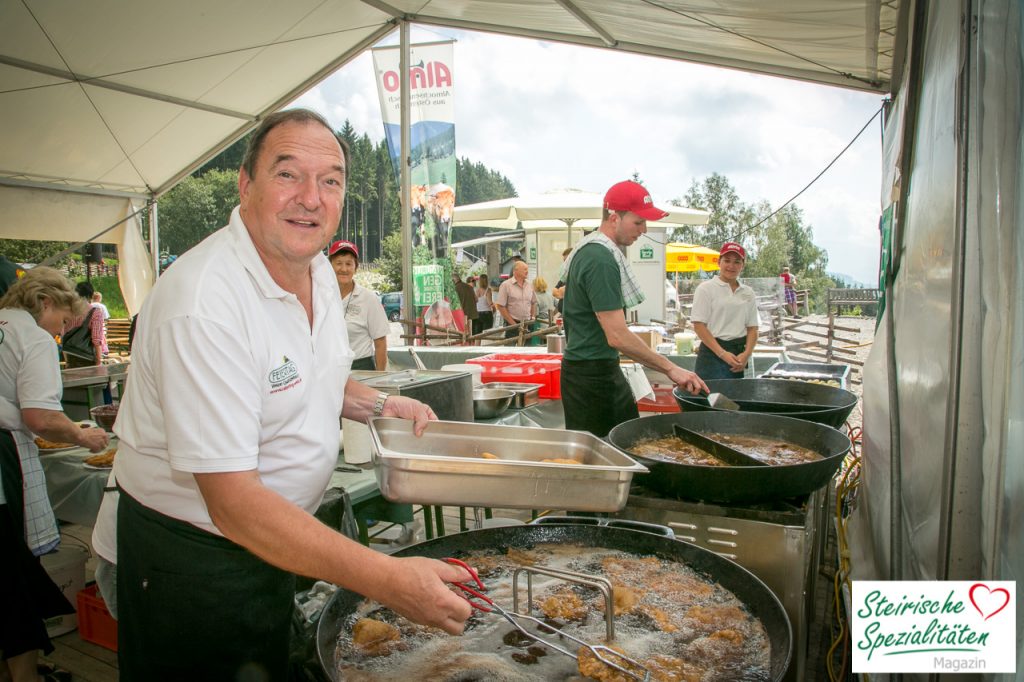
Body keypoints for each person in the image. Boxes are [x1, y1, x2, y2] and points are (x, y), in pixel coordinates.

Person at [91, 109, 472, 681]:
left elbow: (303, 373)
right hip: (193, 556)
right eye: (288, 174)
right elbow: (234, 502)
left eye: (331, 181)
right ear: (245, 185)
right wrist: (387, 577)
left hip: (272, 542)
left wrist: (378, 404)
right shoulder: (205, 304)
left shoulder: (316, 268)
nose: (311, 198)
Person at [0, 268, 109, 682]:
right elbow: (40, 417)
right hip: (4, 461)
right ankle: (25, 675)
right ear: (45, 301)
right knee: (15, 577)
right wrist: (85, 436)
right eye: (64, 321)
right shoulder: (33, 337)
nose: (62, 331)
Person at [559, 181, 707, 437]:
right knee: (612, 455)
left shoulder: (592, 250)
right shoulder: (600, 259)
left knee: (623, 445)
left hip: (593, 370)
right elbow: (616, 335)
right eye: (638, 222)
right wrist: (670, 368)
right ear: (614, 218)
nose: (644, 230)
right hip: (592, 377)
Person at [691, 242, 761, 381]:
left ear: (743, 265)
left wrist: (746, 354)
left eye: (737, 262)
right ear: (719, 262)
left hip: (740, 355)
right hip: (713, 352)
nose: (731, 266)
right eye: (727, 261)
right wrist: (722, 354)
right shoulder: (706, 289)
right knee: (711, 399)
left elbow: (753, 328)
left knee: (740, 399)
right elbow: (699, 326)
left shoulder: (748, 292)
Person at [328, 239, 389, 371]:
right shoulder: (321, 296)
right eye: (338, 263)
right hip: (329, 369)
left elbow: (380, 343)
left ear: (356, 267)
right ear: (329, 266)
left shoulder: (368, 299)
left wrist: (379, 378)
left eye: (349, 264)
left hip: (361, 368)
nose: (343, 269)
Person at [61, 281, 105, 368]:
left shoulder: (68, 310)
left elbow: (62, 332)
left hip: (68, 353)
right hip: (86, 356)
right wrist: (99, 361)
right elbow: (96, 340)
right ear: (91, 295)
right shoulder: (95, 312)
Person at [495, 260, 536, 339]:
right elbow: (500, 306)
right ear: (515, 271)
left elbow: (533, 302)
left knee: (528, 349)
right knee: (511, 349)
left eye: (527, 269)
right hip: (512, 324)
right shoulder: (506, 285)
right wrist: (513, 324)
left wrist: (533, 317)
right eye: (525, 269)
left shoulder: (530, 285)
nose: (527, 272)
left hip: (528, 323)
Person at [551, 247, 572, 315]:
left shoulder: (575, 278)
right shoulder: (564, 278)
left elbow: (564, 292)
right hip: (562, 314)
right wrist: (561, 293)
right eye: (564, 261)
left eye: (566, 261)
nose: (564, 264)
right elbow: (554, 291)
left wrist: (560, 292)